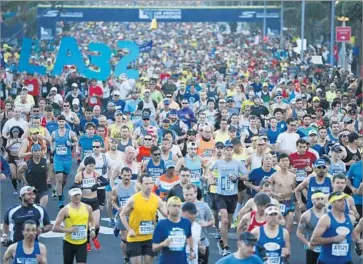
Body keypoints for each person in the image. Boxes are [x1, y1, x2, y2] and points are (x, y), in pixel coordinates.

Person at [209, 142, 249, 256]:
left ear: (232, 151)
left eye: (231, 149)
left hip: (232, 196)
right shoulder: (218, 162)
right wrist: (211, 178)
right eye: (227, 150)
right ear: (224, 151)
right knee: (225, 220)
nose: (229, 152)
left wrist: (238, 177)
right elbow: (208, 170)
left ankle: (222, 241)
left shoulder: (237, 164)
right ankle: (225, 246)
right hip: (220, 195)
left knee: (229, 222)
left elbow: (247, 175)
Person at [120, 173, 168, 264]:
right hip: (135, 238)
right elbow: (122, 214)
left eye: (151, 183)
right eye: (146, 184)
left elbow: (167, 215)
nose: (149, 186)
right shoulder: (133, 199)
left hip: (149, 238)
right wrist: (129, 230)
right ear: (141, 184)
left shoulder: (156, 199)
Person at [310, 191, 359, 264]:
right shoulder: (325, 219)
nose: (343, 203)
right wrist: (334, 239)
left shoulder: (351, 218)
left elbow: (352, 235)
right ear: (332, 203)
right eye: (339, 200)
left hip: (346, 261)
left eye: (344, 200)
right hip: (327, 262)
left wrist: (359, 242)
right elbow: (313, 241)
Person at [53, 186, 96, 264]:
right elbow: (55, 227)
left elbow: (92, 220)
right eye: (74, 195)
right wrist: (69, 230)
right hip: (68, 243)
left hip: (82, 242)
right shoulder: (65, 210)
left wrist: (92, 229)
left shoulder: (87, 208)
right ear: (70, 196)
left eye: (78, 194)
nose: (77, 197)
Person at [74, 156, 109, 252]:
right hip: (84, 202)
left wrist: (97, 185)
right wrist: (79, 188)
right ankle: (87, 242)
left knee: (96, 224)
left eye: (93, 166)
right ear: (85, 166)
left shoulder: (95, 174)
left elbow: (106, 182)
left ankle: (94, 237)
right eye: (89, 166)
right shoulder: (79, 175)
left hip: (94, 201)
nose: (91, 168)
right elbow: (73, 188)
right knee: (86, 224)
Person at [152, 196, 195, 264]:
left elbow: (189, 236)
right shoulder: (161, 224)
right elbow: (154, 247)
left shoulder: (186, 223)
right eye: (174, 206)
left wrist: (191, 250)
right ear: (168, 207)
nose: (176, 208)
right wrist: (163, 244)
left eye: (178, 206)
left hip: (182, 261)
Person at [183, 183, 214, 263]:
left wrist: (206, 224)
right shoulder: (180, 206)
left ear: (196, 193)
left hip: (202, 241)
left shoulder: (204, 206)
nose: (189, 197)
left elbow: (212, 220)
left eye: (191, 194)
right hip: (185, 243)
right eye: (186, 195)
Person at [51, 115, 78, 208]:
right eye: (60, 121)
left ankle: (60, 190)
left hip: (67, 159)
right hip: (58, 159)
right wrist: (52, 148)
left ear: (65, 122)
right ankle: (60, 200)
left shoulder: (70, 133)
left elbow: (76, 142)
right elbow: (51, 142)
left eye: (63, 121)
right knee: (59, 179)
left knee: (64, 180)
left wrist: (71, 144)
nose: (61, 123)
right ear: (57, 122)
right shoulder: (54, 133)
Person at [111, 167, 137, 264]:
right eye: (125, 175)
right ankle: (125, 257)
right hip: (122, 215)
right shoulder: (116, 189)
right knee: (125, 238)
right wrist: (118, 209)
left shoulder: (135, 187)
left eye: (129, 175)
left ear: (131, 176)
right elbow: (112, 202)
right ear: (121, 175)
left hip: (134, 215)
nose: (127, 177)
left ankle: (133, 254)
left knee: (134, 236)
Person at [297, 191, 327, 264]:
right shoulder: (306, 215)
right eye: (317, 199)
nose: (320, 201)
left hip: (327, 248)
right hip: (313, 248)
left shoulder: (329, 214)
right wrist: (307, 243)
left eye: (322, 199)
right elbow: (299, 233)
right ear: (312, 200)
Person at [269, 153, 296, 233]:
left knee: (289, 228)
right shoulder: (274, 176)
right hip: (277, 203)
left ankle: (287, 244)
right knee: (275, 227)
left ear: (289, 162)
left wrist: (293, 193)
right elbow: (266, 190)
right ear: (278, 163)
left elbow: (295, 189)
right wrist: (276, 194)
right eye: (283, 161)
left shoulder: (293, 176)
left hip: (289, 202)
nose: (285, 163)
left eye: (286, 160)